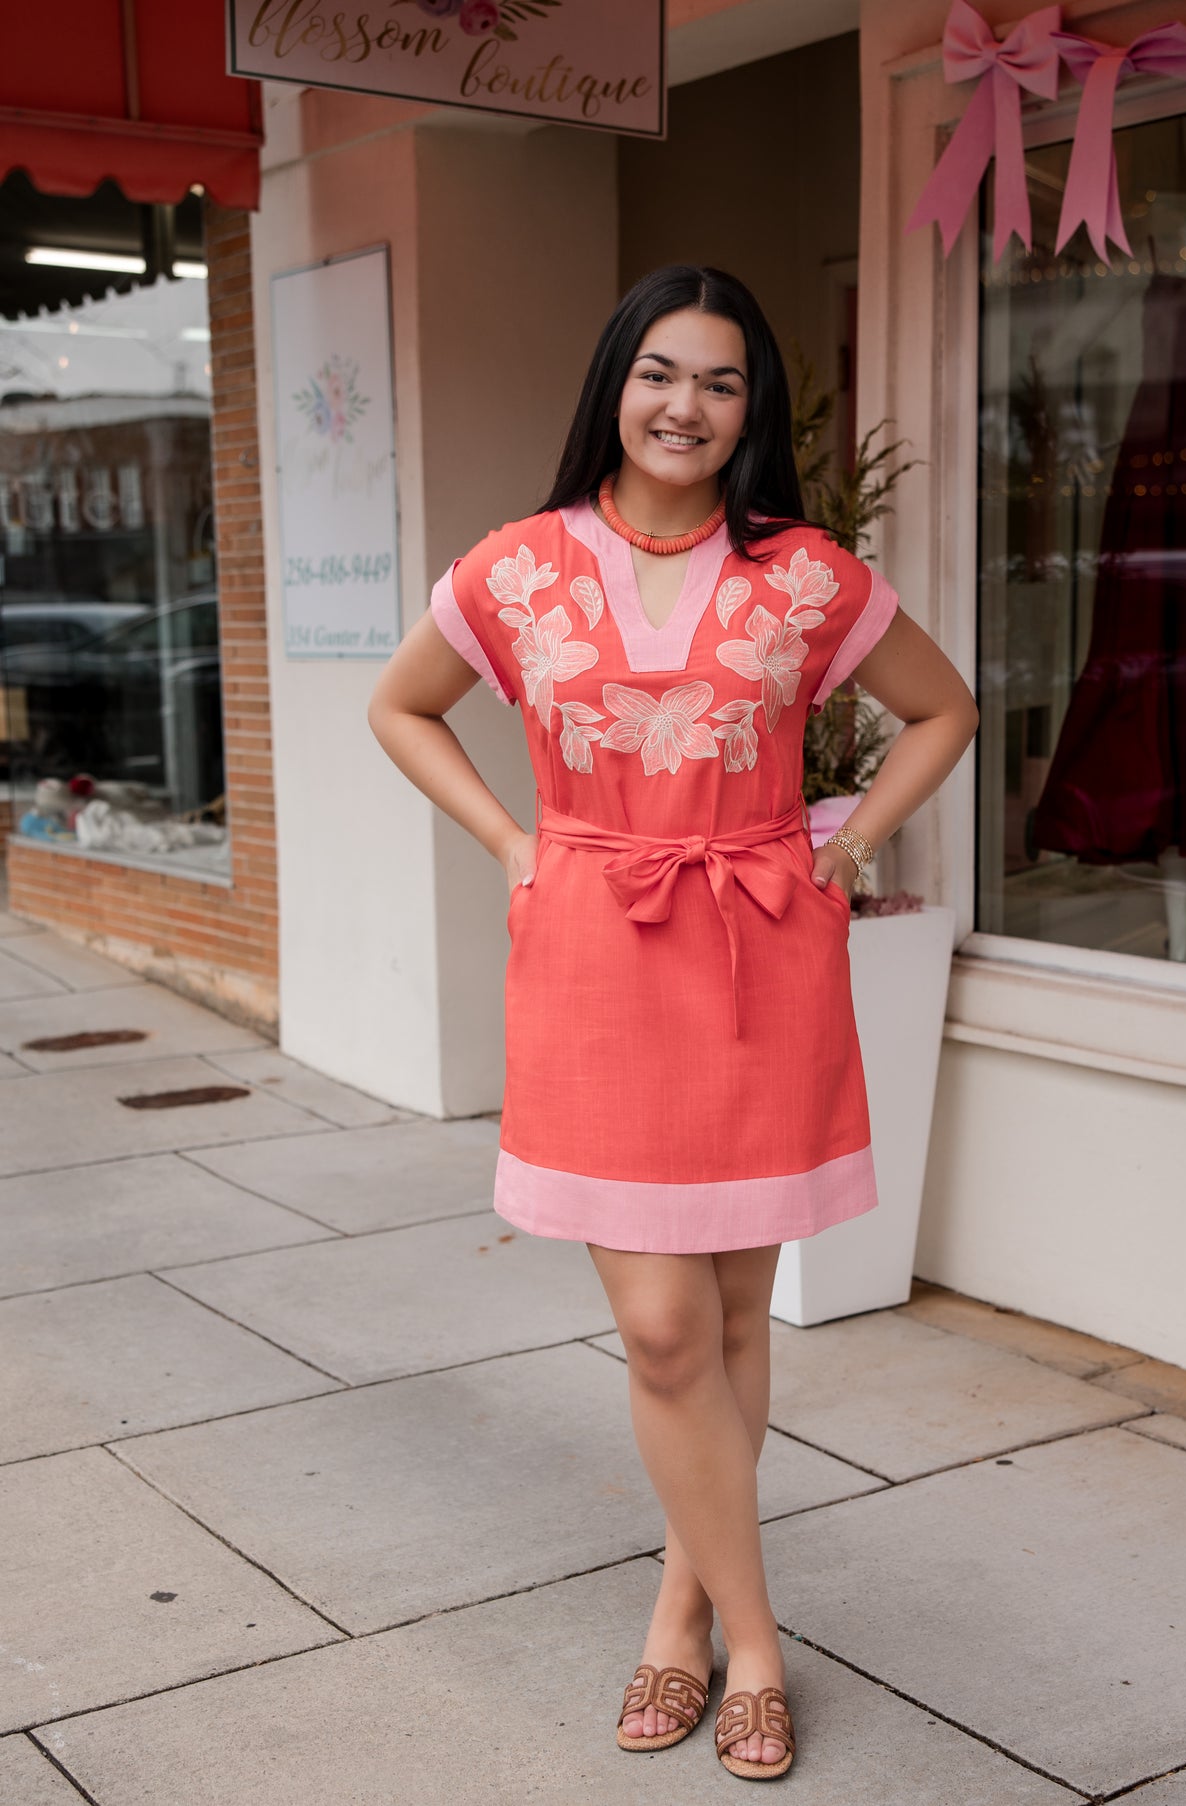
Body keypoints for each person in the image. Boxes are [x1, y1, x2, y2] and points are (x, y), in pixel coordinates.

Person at [368, 264, 977, 1779]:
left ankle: (684, 1604)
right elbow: (401, 704)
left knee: (729, 1317)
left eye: (719, 381)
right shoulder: (514, 567)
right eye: (658, 372)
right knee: (658, 1328)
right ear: (614, 386)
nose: (685, 405)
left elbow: (944, 708)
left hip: (760, 951)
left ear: (749, 408)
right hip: (591, 954)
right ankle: (758, 1636)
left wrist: (837, 848)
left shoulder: (807, 574)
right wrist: (515, 845)